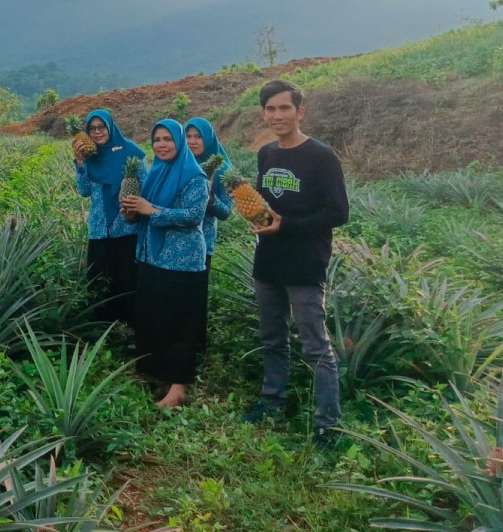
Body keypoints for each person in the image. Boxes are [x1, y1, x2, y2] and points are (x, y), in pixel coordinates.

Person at [242, 80, 349, 449]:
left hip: (305, 262)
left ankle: (328, 424)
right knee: (272, 338)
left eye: (284, 108)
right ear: (263, 114)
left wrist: (288, 226)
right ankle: (272, 400)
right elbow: (265, 201)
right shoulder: (266, 153)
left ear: (300, 112)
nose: (277, 115)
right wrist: (255, 215)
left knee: (315, 345)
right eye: (270, 109)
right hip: (268, 260)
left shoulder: (321, 156)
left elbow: (339, 212)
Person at [121, 119, 208, 408]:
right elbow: (142, 213)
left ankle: (179, 386)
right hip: (151, 256)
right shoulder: (154, 174)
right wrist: (132, 213)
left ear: (179, 142)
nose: (161, 145)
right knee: (153, 317)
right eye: (157, 139)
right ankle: (159, 373)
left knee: (179, 323)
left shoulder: (194, 176)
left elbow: (193, 216)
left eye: (168, 139)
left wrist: (152, 210)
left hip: (182, 262)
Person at [73, 109, 147, 324]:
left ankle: (131, 328)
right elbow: (84, 190)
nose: (97, 132)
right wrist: (79, 162)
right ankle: (102, 329)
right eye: (92, 129)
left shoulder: (130, 151)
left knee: (127, 281)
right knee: (99, 280)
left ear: (110, 127)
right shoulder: (89, 157)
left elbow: (146, 185)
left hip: (126, 228)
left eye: (101, 127)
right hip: (99, 229)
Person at [184, 117, 234, 356]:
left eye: (198, 137)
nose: (192, 141)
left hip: (203, 243)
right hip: (175, 243)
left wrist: (210, 199)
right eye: (188, 136)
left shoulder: (222, 170)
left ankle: (196, 347)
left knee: (195, 297)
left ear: (208, 139)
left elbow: (226, 212)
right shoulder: (179, 163)